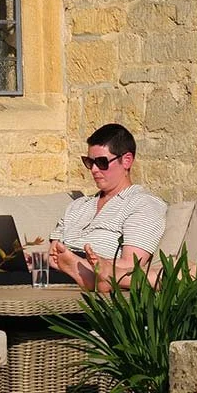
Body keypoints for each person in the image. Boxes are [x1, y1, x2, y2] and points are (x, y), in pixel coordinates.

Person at [48, 123, 167, 292]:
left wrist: (80, 262)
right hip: (56, 270)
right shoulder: (78, 205)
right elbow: (53, 251)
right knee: (1, 275)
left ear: (126, 160)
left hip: (92, 271)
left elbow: (130, 264)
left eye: (102, 162)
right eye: (89, 162)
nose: (94, 169)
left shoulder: (143, 203)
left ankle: (83, 271)